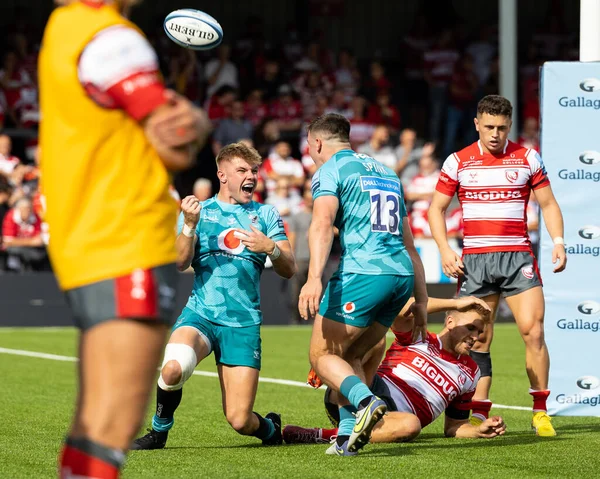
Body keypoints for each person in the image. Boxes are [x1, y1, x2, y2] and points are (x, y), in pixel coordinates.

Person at [39, 1, 211, 477]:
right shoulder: (115, 39)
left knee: (94, 422)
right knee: (113, 424)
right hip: (128, 238)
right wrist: (195, 120)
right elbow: (173, 138)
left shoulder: (64, 26)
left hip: (89, 239)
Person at [132, 143, 296, 450]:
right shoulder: (199, 211)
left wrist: (270, 248)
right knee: (173, 368)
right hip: (201, 314)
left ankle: (271, 430)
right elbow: (181, 262)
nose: (251, 177)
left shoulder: (266, 214)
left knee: (240, 420)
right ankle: (158, 432)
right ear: (222, 175)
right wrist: (190, 228)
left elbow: (289, 267)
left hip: (242, 323)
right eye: (242, 171)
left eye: (254, 171)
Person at [428, 95, 567, 437]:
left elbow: (548, 204)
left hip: (517, 256)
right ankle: (478, 412)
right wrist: (446, 249)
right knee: (477, 339)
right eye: (489, 126)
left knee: (533, 331)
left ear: (510, 126)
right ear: (477, 123)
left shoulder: (527, 157)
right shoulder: (458, 161)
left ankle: (540, 411)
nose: (495, 134)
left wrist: (559, 242)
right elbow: (435, 210)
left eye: (502, 128)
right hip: (475, 260)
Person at [298, 113, 428, 455]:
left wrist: (313, 278)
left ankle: (367, 402)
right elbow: (411, 245)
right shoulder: (386, 171)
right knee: (352, 354)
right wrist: (423, 302)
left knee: (322, 355)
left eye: (309, 146)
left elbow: (322, 224)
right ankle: (345, 438)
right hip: (400, 274)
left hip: (364, 271)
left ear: (318, 143)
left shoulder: (330, 170)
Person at [283, 297, 505, 446]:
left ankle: (319, 435)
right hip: (362, 391)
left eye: (480, 331)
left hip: (394, 419)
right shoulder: (421, 336)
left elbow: (454, 426)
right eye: (470, 328)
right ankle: (333, 364)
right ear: (449, 322)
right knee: (375, 338)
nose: (476, 337)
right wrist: (456, 302)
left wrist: (478, 430)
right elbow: (400, 309)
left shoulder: (471, 372)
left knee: (411, 426)